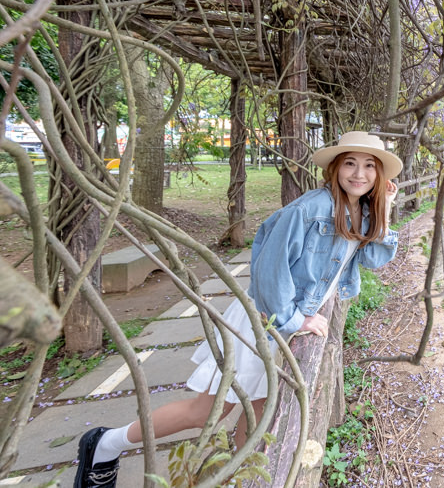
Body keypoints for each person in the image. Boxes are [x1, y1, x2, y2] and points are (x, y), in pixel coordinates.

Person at [73, 131, 401, 488]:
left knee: (261, 418)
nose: (359, 173)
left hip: (286, 329)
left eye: (370, 166)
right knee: (205, 413)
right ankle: (104, 444)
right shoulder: (309, 209)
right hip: (263, 321)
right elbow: (268, 273)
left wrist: (384, 208)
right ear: (335, 167)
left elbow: (373, 257)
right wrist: (295, 319)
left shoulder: (363, 210)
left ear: (380, 176)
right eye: (350, 163)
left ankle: (245, 481)